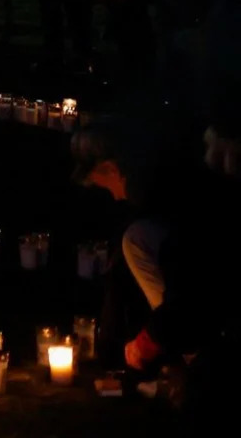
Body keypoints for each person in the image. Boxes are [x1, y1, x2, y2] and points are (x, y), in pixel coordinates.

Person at [74, 126, 240, 395]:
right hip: (199, 303)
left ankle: (197, 357)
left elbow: (189, 277)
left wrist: (151, 338)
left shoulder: (177, 201)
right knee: (135, 238)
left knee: (136, 240)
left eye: (108, 188)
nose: (115, 197)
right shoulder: (160, 192)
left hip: (217, 305)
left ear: (112, 169)